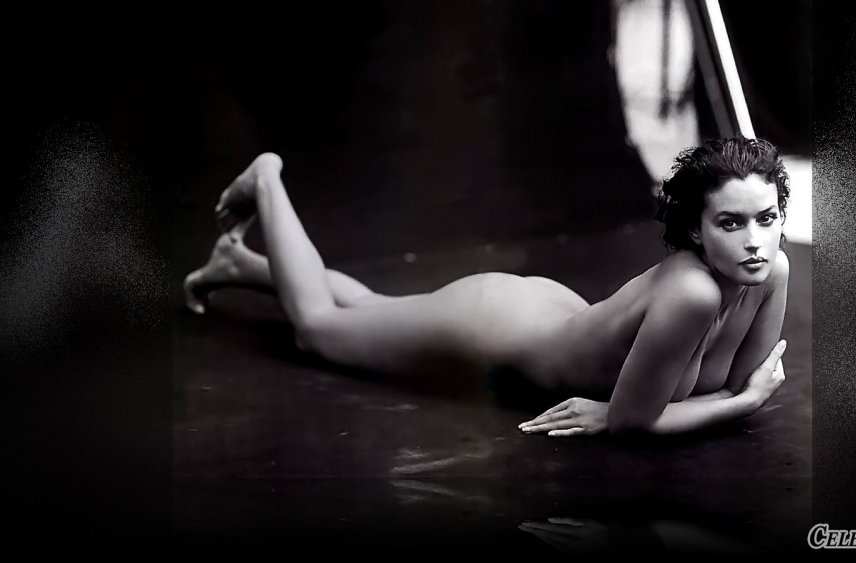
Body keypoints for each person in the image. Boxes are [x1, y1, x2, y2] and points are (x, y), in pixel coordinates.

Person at [183, 136, 790, 438]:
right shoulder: (692, 293)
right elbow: (638, 423)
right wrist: (740, 405)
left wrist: (721, 398)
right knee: (319, 329)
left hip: (553, 316)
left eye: (766, 218)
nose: (755, 241)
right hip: (492, 326)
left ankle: (242, 266)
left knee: (370, 306)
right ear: (695, 229)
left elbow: (717, 387)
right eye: (730, 223)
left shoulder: (771, 272)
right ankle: (268, 181)